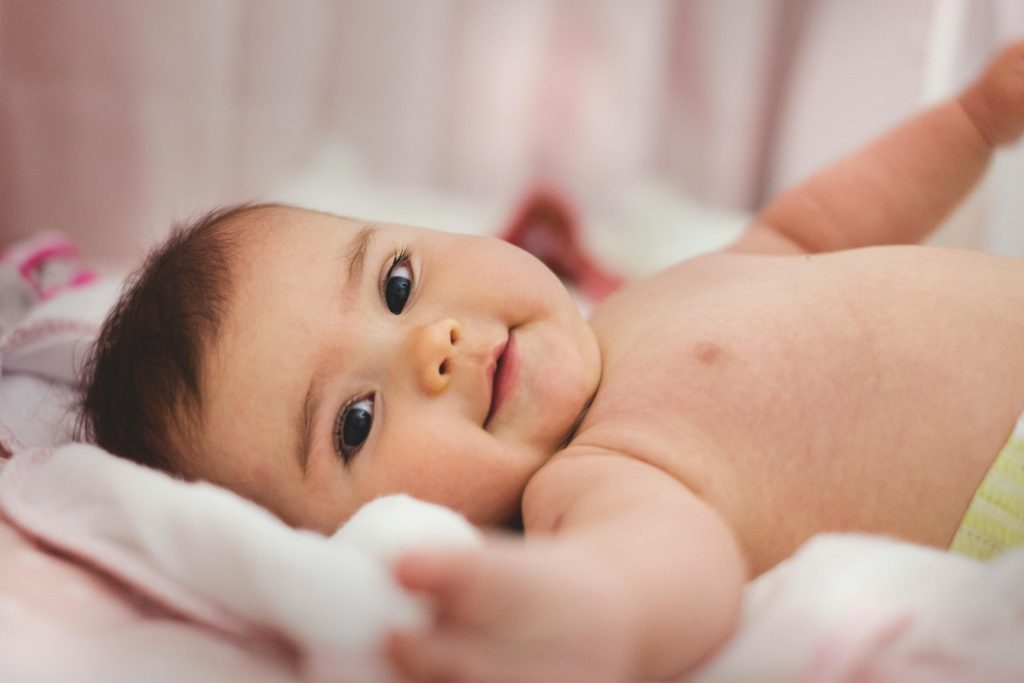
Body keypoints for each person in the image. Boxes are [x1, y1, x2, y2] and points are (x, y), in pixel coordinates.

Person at [80, 41, 1024, 681]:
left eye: (398, 283)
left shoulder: (641, 303)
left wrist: (975, 123)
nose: (429, 347)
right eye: (354, 422)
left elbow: (812, 227)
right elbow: (670, 565)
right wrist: (596, 609)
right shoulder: (591, 476)